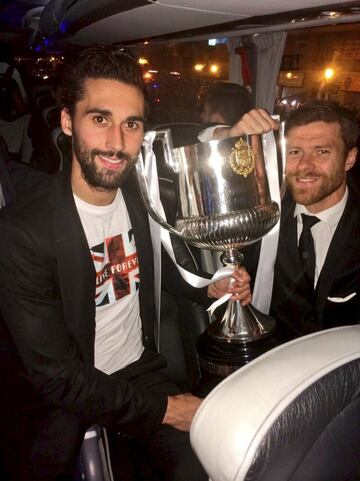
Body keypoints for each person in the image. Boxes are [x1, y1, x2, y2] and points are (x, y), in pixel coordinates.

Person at [0, 45, 252, 481]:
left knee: (218, 464)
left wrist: (207, 286)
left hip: (138, 371)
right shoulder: (21, 231)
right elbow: (56, 375)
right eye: (100, 120)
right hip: (63, 396)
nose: (116, 143)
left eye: (130, 124)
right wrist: (170, 410)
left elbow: (152, 267)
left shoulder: (139, 198)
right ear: (66, 122)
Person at [243, 100, 360, 340]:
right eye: (295, 152)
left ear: (349, 158)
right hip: (274, 362)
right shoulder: (261, 221)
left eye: (321, 151)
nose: (305, 166)